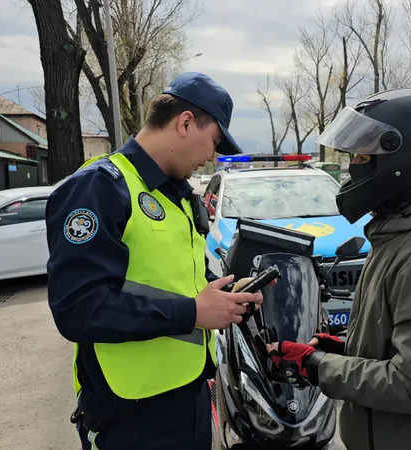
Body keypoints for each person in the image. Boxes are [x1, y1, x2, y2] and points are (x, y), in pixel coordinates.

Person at [46, 72, 267, 450]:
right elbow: (78, 309)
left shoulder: (176, 193)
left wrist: (228, 295)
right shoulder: (101, 187)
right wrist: (193, 313)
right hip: (132, 414)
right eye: (213, 141)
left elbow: (176, 276)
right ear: (184, 123)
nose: (212, 156)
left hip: (190, 396)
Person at [267, 89, 411, 450]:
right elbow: (394, 344)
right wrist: (344, 348)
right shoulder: (395, 236)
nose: (354, 165)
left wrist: (319, 366)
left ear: (405, 157)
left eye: (364, 155)